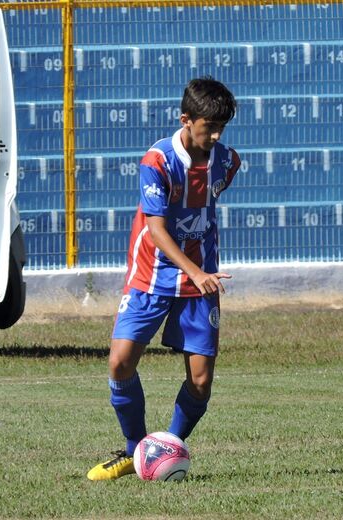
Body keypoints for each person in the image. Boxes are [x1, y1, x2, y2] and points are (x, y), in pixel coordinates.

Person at [87, 77, 241, 480]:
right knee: (120, 363)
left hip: (199, 281)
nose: (217, 135)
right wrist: (194, 270)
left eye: (223, 127)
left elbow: (207, 203)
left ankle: (166, 449)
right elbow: (156, 229)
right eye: (210, 127)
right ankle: (135, 449)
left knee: (202, 380)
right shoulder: (156, 161)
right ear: (186, 120)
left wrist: (199, 268)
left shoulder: (227, 160)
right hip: (151, 275)